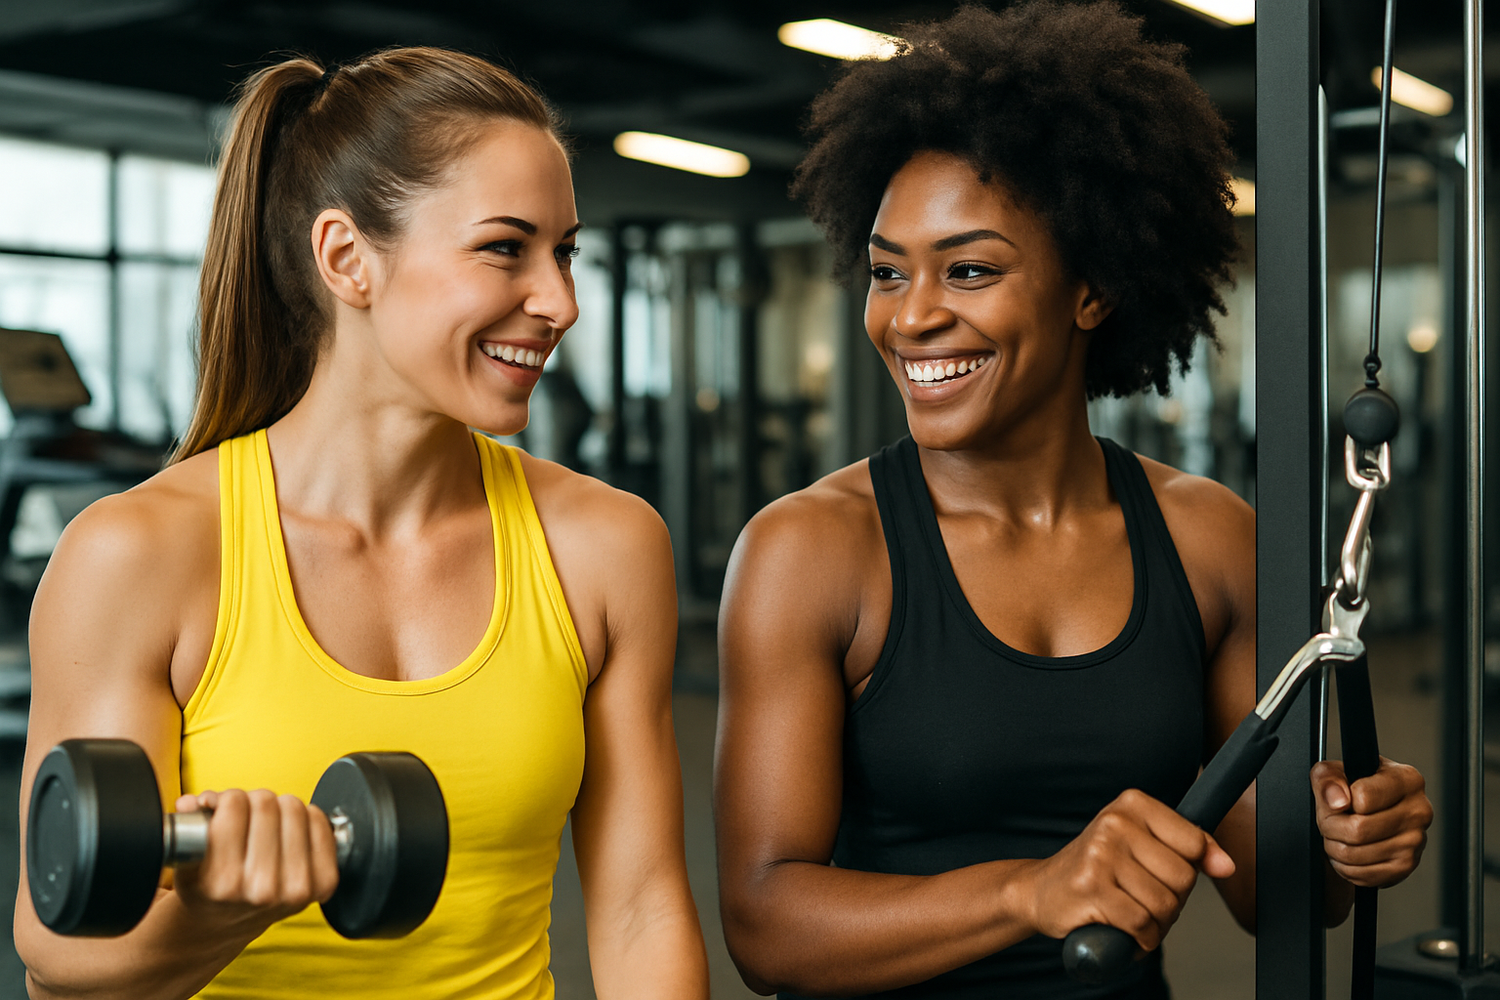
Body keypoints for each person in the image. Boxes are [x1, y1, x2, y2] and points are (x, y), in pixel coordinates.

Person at [713, 4, 1433, 998]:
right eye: (887, 272)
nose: (912, 315)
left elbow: (1281, 895)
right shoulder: (812, 551)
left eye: (969, 269)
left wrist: (1350, 838)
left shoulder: (1208, 540)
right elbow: (764, 924)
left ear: (1091, 291)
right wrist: (1028, 892)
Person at [17, 48, 709, 999]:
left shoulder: (606, 545)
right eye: (505, 248)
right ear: (347, 259)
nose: (560, 302)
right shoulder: (140, 555)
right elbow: (63, 958)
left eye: (564, 252)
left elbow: (642, 910)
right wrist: (229, 908)